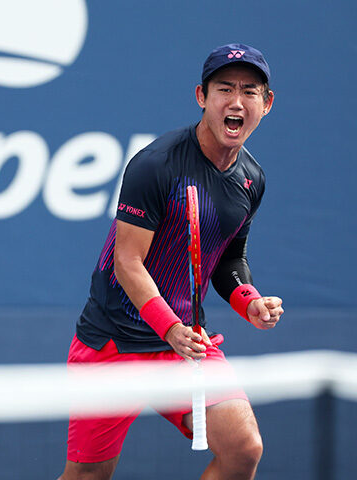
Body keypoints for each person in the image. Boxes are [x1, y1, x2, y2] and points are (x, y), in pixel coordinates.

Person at [58, 43, 284, 480]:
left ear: (266, 103)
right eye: (224, 90)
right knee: (88, 476)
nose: (236, 102)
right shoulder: (156, 166)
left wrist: (248, 300)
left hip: (182, 347)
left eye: (249, 91)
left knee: (242, 450)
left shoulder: (251, 180)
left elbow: (227, 258)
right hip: (112, 345)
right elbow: (127, 262)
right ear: (202, 96)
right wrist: (171, 328)